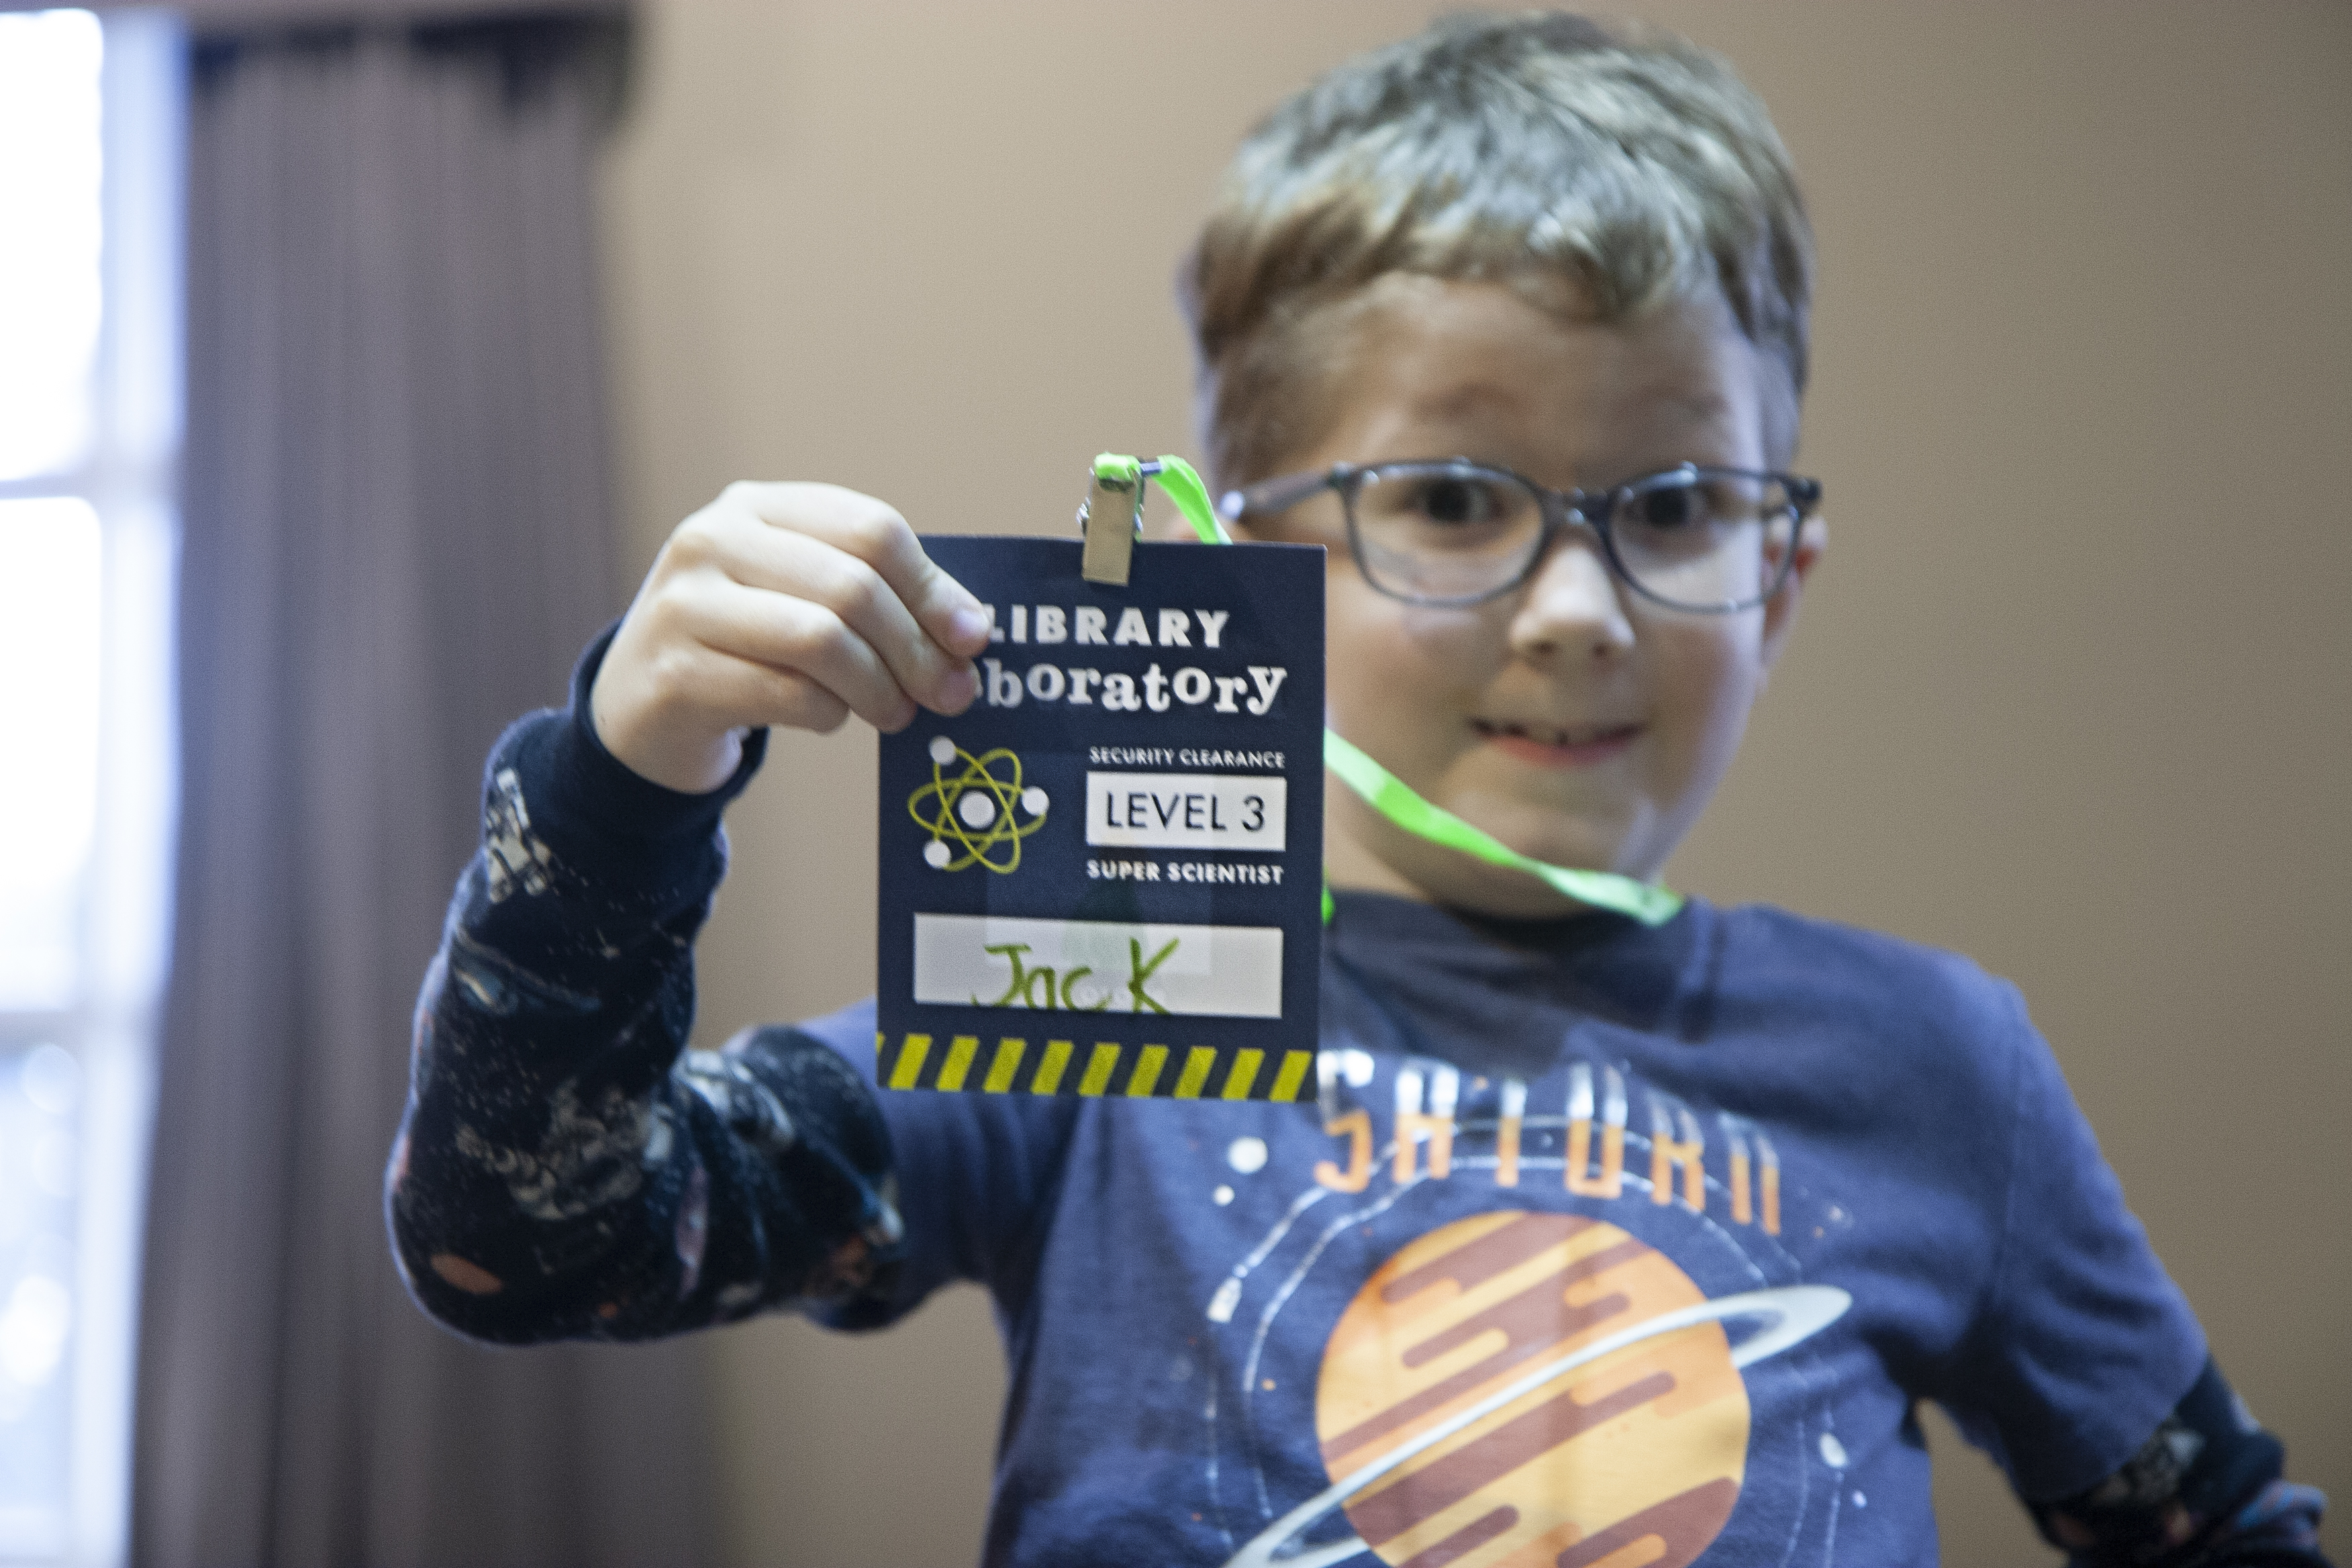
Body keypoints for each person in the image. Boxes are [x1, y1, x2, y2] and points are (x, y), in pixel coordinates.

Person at [386, 14, 2330, 1567]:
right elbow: (534, 1240)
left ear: (1781, 573)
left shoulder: (1936, 1071)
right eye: (1456, 500)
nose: (1576, 609)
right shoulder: (1090, 1005)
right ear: (1257, 573)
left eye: (1671, 507)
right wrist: (624, 781)